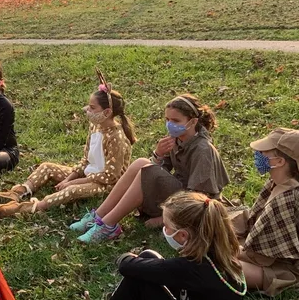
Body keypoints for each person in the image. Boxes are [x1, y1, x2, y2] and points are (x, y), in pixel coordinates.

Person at [46, 191, 246, 300]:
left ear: (183, 235)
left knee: (139, 277)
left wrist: (129, 259)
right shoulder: (213, 257)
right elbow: (190, 289)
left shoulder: (193, 268)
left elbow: (126, 266)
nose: (164, 231)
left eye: (167, 226)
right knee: (149, 259)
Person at [75, 94, 229, 243]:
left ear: (193, 122)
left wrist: (164, 219)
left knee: (148, 170)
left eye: (175, 120)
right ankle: (99, 215)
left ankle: (108, 226)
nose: (170, 124)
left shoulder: (203, 150)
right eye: (167, 119)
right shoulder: (176, 138)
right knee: (141, 163)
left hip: (195, 208)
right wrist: (159, 154)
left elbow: (200, 199)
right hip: (180, 196)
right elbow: (162, 169)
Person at [0, 78, 135, 217]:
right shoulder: (95, 127)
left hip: (106, 185)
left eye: (92, 107)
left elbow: (110, 176)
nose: (86, 110)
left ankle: (30, 207)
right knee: (47, 167)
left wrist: (72, 183)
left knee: (71, 190)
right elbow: (86, 160)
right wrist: (70, 177)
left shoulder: (117, 138)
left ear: (107, 112)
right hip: (88, 175)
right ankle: (17, 192)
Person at [234, 128, 299, 296]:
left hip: (292, 271)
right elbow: (253, 221)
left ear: (280, 161)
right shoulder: (279, 182)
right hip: (277, 260)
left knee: (219, 264)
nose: (258, 153)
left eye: (264, 151)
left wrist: (225, 248)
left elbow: (260, 258)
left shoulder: (287, 199)